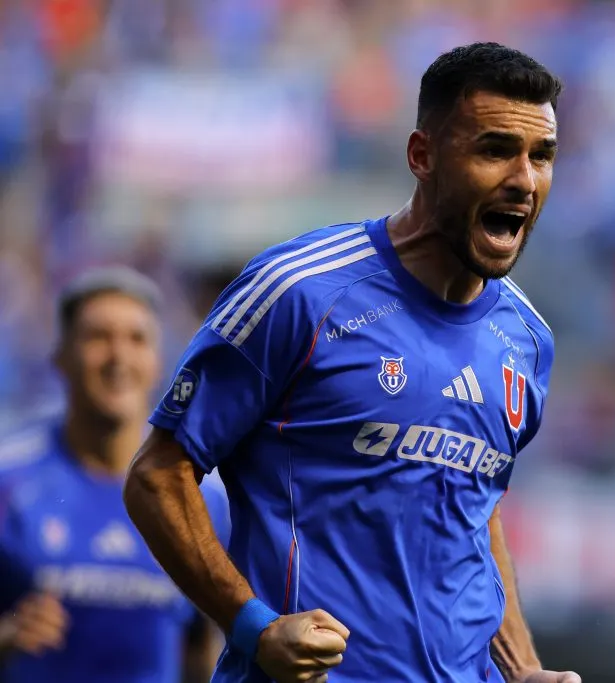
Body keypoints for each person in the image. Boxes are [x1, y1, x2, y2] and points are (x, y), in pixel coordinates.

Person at [123, 42, 581, 683]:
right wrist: (255, 627)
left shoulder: (527, 339)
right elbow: (157, 476)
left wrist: (523, 668)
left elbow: (475, 505)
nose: (525, 180)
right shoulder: (301, 292)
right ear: (422, 156)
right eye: (496, 150)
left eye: (542, 156)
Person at [0, 267, 229, 683]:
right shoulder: (9, 481)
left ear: (158, 361)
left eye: (136, 339)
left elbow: (204, 649)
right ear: (60, 356)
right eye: (98, 337)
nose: (118, 358)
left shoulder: (203, 499)